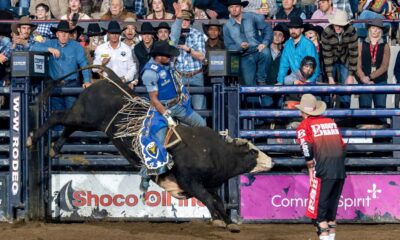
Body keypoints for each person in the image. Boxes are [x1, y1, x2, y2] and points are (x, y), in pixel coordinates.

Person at [140, 40, 206, 191]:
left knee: (201, 125)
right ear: (158, 56)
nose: (170, 56)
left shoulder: (165, 64)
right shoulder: (150, 73)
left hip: (178, 105)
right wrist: (167, 116)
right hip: (161, 110)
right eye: (166, 55)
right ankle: (145, 175)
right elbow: (154, 99)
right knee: (158, 142)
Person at [295, 93, 346, 240]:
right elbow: (342, 146)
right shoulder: (330, 121)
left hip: (323, 169)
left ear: (301, 111)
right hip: (339, 169)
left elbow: (306, 147)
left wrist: (310, 165)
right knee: (331, 212)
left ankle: (324, 235)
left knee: (319, 214)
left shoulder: (304, 126)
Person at [31, 20, 90, 119]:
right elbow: (34, 47)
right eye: (61, 32)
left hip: (71, 84)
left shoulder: (76, 46)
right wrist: (49, 49)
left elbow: (84, 64)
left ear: (69, 34)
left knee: (71, 115)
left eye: (66, 32)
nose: (64, 35)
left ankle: (67, 134)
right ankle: (58, 134)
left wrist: (87, 80)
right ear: (57, 34)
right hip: (54, 84)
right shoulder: (51, 43)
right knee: (57, 114)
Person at [223, 0, 272, 89]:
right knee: (249, 86)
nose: (234, 9)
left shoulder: (252, 17)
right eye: (231, 7)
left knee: (266, 52)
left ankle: (261, 80)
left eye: (236, 6)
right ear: (228, 9)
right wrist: (239, 47)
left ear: (241, 8)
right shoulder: (227, 26)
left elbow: (267, 27)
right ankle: (255, 101)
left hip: (257, 50)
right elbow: (229, 46)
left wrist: (264, 43)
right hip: (243, 56)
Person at [171, 9, 207, 110]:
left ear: (190, 21)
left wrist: (188, 49)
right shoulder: (174, 35)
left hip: (196, 75)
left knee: (199, 109)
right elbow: (169, 55)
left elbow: (201, 56)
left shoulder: (198, 34)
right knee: (181, 109)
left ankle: (201, 126)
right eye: (182, 19)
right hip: (180, 76)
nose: (184, 22)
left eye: (187, 19)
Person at [321, 10, 358, 109]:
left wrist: (351, 75)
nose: (337, 27)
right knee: (327, 89)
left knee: (346, 89)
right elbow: (327, 55)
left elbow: (353, 53)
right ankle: (326, 113)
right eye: (335, 24)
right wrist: (330, 76)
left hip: (345, 60)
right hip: (330, 61)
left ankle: (344, 115)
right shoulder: (326, 33)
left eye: (340, 25)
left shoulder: (352, 32)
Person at [357, 18, 390, 111]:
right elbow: (358, 63)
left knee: (380, 110)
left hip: (381, 81)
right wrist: (363, 77)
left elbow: (384, 66)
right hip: (364, 81)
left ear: (381, 31)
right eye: (373, 28)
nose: (375, 30)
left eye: (378, 28)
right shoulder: (361, 44)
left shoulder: (385, 45)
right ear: (369, 29)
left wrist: (370, 77)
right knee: (364, 111)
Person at [93, 21, 137, 89]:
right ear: (108, 34)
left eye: (116, 33)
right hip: (106, 84)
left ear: (120, 34)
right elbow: (94, 69)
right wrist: (102, 64)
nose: (114, 35)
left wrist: (125, 79)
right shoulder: (100, 49)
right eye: (112, 33)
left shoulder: (127, 49)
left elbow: (132, 67)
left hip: (123, 84)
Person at [277, 17, 320, 85]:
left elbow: (314, 66)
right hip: (296, 76)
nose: (293, 30)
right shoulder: (288, 44)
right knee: (286, 80)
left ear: (302, 29)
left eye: (296, 28)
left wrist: (308, 81)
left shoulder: (308, 44)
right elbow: (284, 65)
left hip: (310, 76)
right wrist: (280, 82)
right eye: (291, 28)